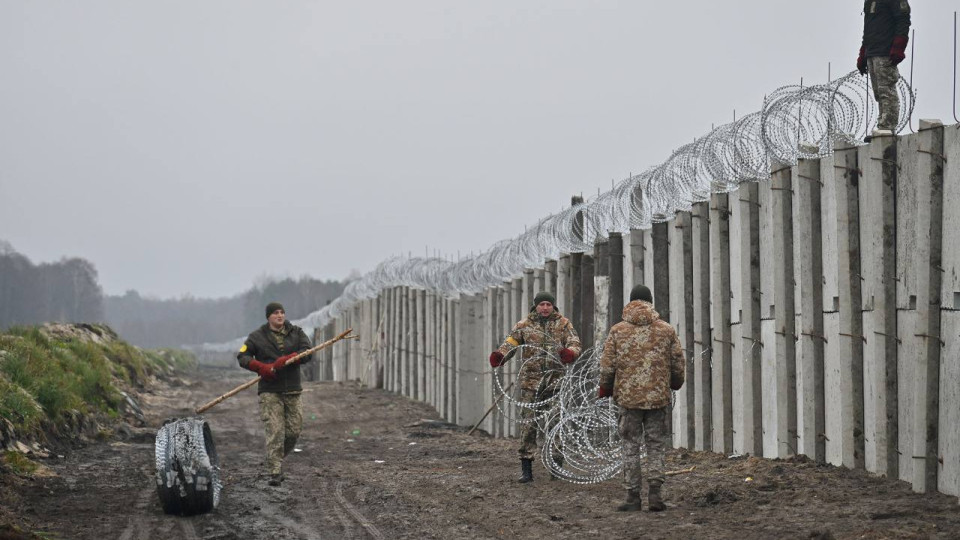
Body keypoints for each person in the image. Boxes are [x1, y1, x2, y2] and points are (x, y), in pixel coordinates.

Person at [598, 285, 684, 512]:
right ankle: (655, 495)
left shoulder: (618, 330)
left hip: (627, 399)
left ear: (631, 302)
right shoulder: (666, 329)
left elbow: (608, 365)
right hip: (657, 398)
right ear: (650, 302)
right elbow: (677, 361)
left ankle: (632, 496)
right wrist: (675, 382)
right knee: (656, 445)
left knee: (630, 445)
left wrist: (605, 387)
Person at [489, 291, 581, 483]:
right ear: (535, 306)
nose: (545, 308)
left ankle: (556, 467)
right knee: (528, 425)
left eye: (548, 304)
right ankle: (526, 468)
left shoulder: (563, 324)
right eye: (542, 304)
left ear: (553, 306)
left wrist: (570, 353)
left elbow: (574, 342)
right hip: (531, 384)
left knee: (556, 425)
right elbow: (510, 344)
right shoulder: (524, 326)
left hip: (555, 383)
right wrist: (500, 356)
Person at [237, 302, 314, 486]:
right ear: (268, 317)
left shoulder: (296, 332)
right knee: (275, 430)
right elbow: (242, 356)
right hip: (270, 391)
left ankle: (276, 457)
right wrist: (260, 367)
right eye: (275, 313)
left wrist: (289, 359)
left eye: (282, 312)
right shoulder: (257, 337)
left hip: (292, 389)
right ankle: (275, 471)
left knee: (293, 431)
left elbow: (308, 352)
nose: (280, 316)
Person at [856, 0, 911, 138]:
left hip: (886, 52)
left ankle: (887, 128)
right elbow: (868, 29)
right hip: (872, 51)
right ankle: (882, 126)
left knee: (886, 90)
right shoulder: (869, 1)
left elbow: (903, 20)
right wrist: (863, 52)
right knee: (878, 93)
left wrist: (899, 47)